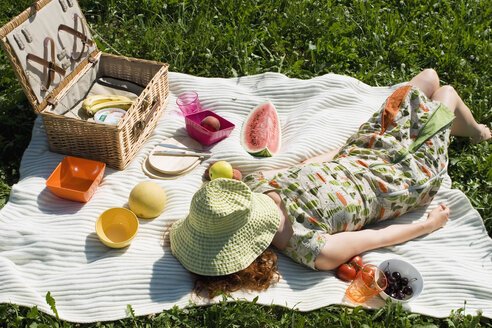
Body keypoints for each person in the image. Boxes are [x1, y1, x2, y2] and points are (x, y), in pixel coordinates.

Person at [169, 69, 491, 298]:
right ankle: (476, 132)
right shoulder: (309, 247)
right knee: (445, 94)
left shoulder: (254, 187)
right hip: (402, 178)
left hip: (366, 148)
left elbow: (306, 166)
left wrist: (345, 149)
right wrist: (428, 225)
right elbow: (375, 237)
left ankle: (459, 128)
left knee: (429, 78)